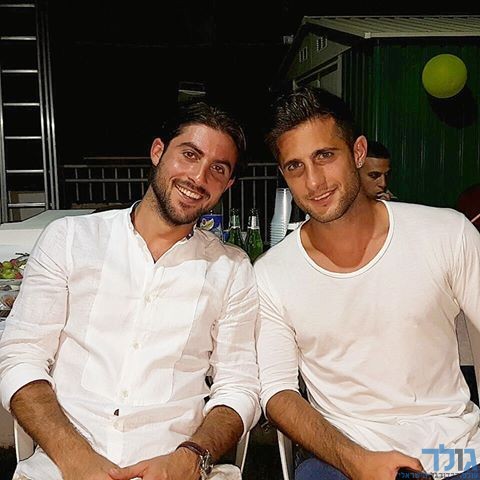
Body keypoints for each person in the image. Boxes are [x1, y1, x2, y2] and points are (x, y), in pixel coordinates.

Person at [0, 101, 260, 480]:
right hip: (63, 466)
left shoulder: (231, 269)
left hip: (175, 469)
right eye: (189, 155)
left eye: (218, 169)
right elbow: (20, 357)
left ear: (227, 185)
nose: (198, 177)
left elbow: (239, 385)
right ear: (158, 152)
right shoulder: (71, 239)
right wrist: (75, 459)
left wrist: (191, 456)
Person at [255, 86, 480, 480]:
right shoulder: (272, 273)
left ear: (358, 152)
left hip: (453, 454)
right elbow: (278, 392)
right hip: (345, 460)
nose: (313, 182)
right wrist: (355, 460)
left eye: (325, 156)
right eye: (295, 166)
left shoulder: (446, 234)